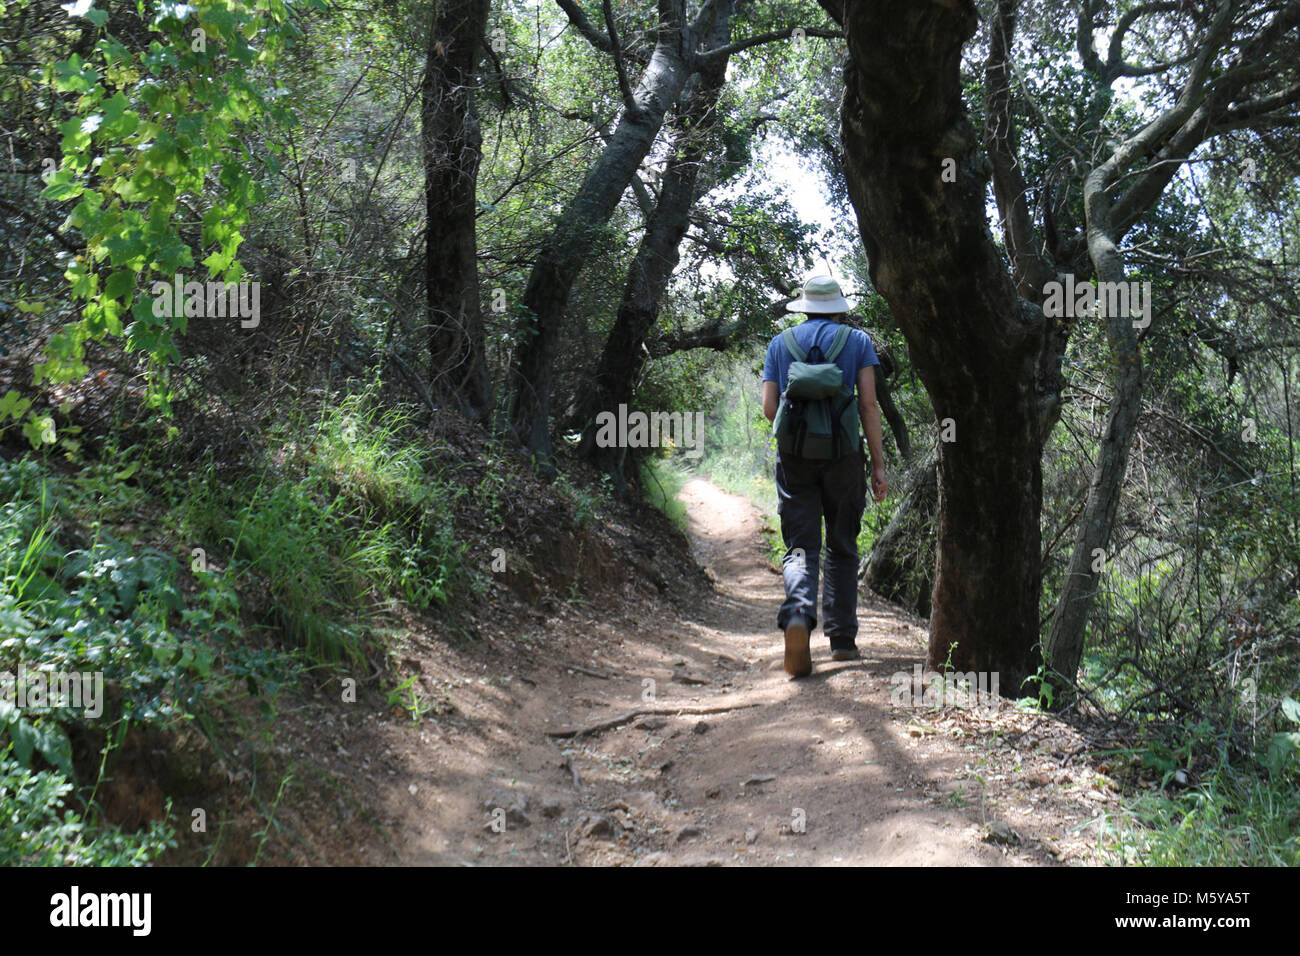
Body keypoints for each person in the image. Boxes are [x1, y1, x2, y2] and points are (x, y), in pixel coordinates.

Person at [762, 274, 888, 678]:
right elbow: (869, 406)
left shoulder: (780, 344)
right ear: (838, 307)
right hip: (844, 457)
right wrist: (879, 466)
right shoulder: (858, 343)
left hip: (795, 457)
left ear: (804, 307)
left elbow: (769, 408)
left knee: (801, 546)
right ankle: (843, 640)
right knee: (842, 545)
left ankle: (798, 615)